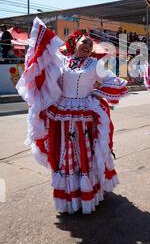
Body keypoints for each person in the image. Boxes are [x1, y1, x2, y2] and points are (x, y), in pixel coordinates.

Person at [16, 18, 127, 214]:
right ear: (74, 42)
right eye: (84, 41)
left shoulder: (94, 64)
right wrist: (37, 95)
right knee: (63, 152)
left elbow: (113, 81)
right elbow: (49, 81)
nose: (88, 46)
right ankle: (70, 195)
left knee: (85, 152)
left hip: (84, 112)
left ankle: (89, 192)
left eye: (90, 44)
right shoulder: (62, 62)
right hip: (61, 112)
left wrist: (95, 94)